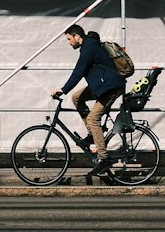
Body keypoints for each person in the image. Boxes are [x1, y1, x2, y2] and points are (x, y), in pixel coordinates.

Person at [51, 23, 123, 168]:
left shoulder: (89, 47)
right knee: (76, 97)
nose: (69, 42)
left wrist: (63, 89)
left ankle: (103, 158)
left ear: (77, 37)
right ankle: (92, 134)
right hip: (102, 86)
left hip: (110, 88)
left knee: (92, 118)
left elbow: (79, 71)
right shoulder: (88, 46)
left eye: (69, 39)